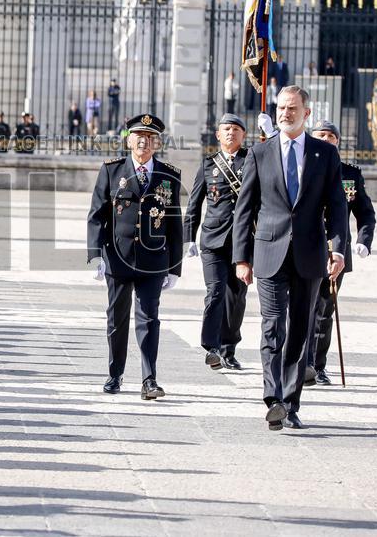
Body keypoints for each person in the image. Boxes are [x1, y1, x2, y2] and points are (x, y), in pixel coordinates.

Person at [233, 86, 348, 430]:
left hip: (310, 255)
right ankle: (273, 398)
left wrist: (338, 247)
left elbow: (338, 205)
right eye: (281, 107)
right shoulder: (260, 152)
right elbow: (245, 208)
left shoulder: (324, 155)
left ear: (306, 114)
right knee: (272, 326)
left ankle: (291, 403)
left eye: (293, 108)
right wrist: (242, 257)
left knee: (300, 329)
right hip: (269, 252)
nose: (285, 113)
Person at [87, 113, 183, 400]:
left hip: (153, 260)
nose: (143, 141)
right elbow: (96, 215)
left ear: (157, 142)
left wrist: (175, 266)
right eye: (138, 136)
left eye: (149, 137)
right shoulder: (112, 171)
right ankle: (115, 374)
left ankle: (149, 379)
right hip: (117, 257)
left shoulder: (169, 175)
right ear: (129, 140)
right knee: (117, 319)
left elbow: (175, 222)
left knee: (149, 318)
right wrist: (95, 254)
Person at [305, 120, 376, 386]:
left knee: (325, 310)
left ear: (338, 142)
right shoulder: (301, 167)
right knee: (304, 308)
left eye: (331, 136)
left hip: (336, 252)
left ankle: (318, 366)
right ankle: (303, 362)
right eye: (320, 135)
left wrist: (363, 240)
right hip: (307, 248)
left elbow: (366, 214)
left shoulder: (350, 174)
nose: (326, 139)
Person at [183, 114, 249, 372]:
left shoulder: (252, 160)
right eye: (226, 129)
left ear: (243, 135)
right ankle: (211, 347)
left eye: (236, 129)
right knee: (215, 292)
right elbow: (194, 202)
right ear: (218, 135)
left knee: (236, 298)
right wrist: (189, 236)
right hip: (213, 240)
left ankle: (228, 348)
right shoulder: (208, 164)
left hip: (243, 241)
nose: (231, 133)